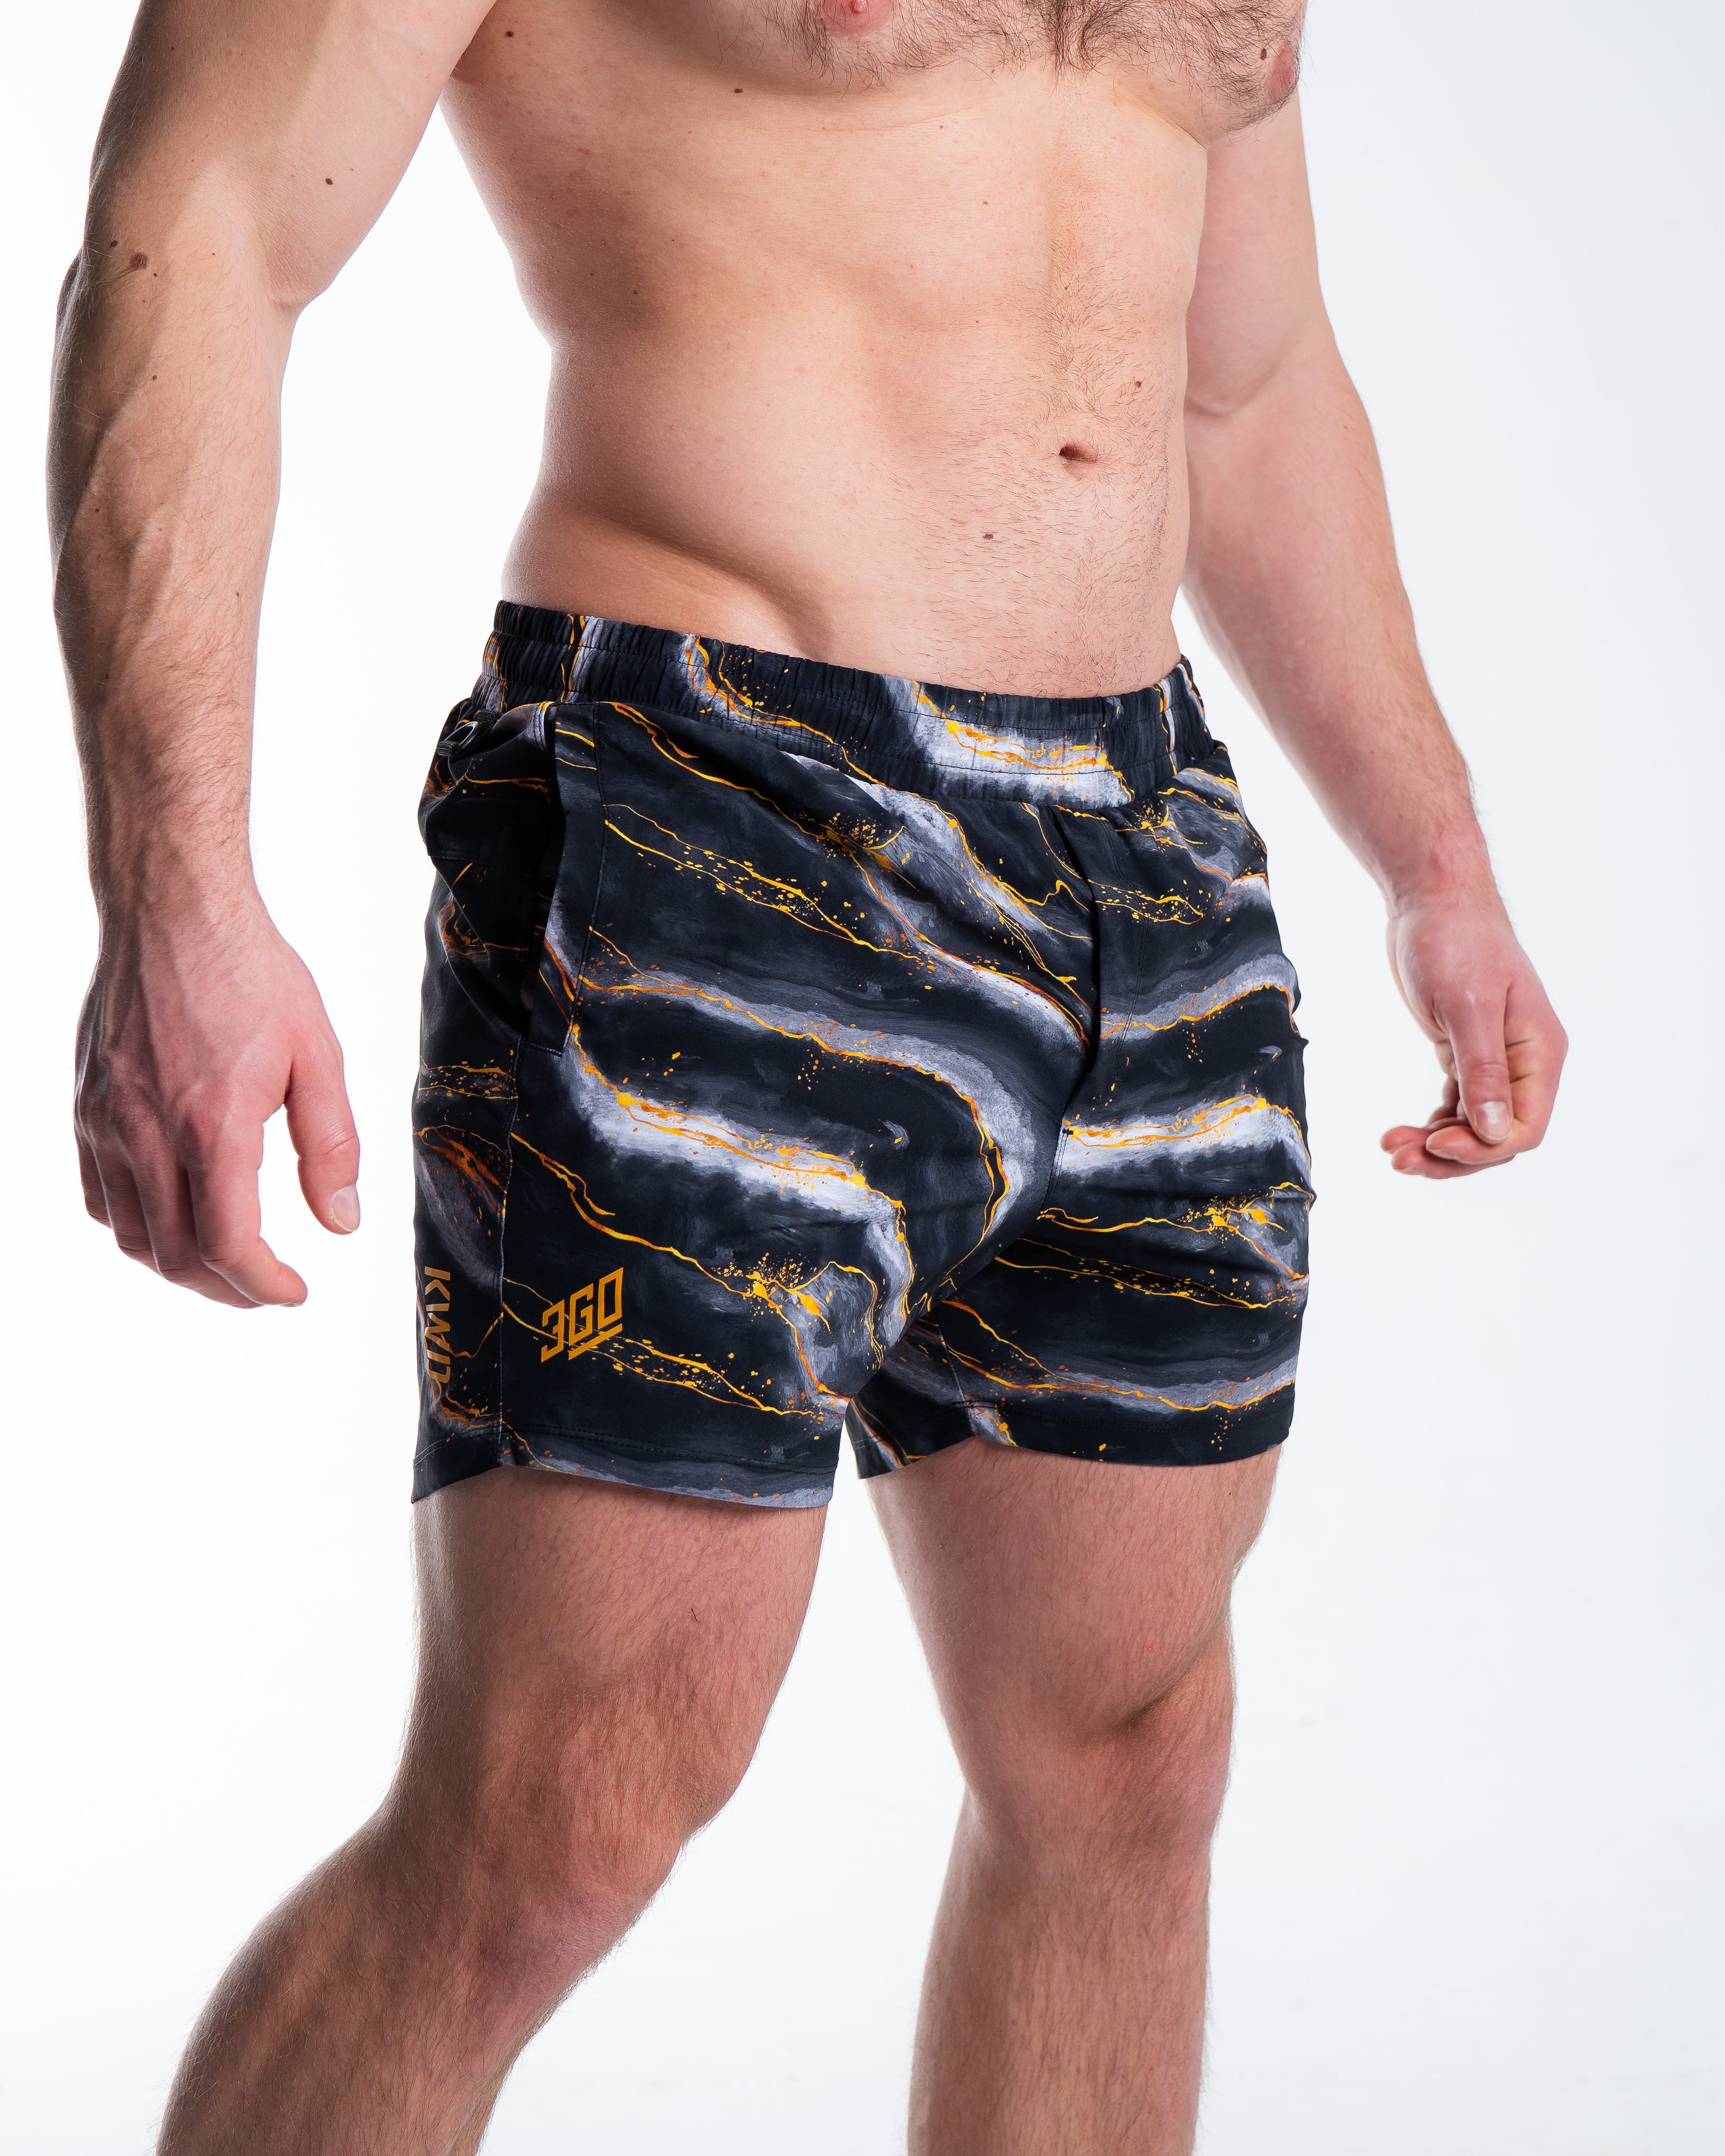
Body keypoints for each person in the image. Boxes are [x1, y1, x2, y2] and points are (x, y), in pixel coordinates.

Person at [48, 0, 1567, 2148]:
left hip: (1144, 850)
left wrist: (1437, 860)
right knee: (563, 1807)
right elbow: (193, 227)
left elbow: (1244, 378)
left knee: (1127, 1764)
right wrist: (176, 892)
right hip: (709, 811)